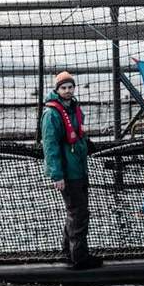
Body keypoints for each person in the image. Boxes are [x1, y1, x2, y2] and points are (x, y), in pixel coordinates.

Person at [41, 71, 103, 269]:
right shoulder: (51, 114)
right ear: (57, 90)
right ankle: (80, 257)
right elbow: (50, 146)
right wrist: (56, 175)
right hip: (69, 172)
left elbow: (78, 134)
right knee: (79, 214)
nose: (67, 91)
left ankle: (69, 252)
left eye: (70, 87)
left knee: (74, 212)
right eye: (63, 88)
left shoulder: (73, 109)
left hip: (79, 168)